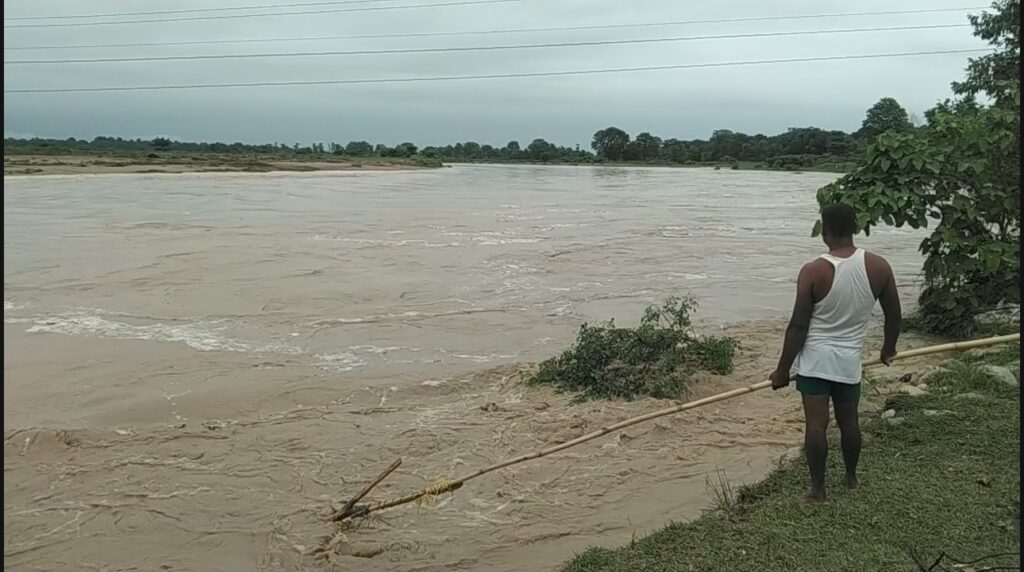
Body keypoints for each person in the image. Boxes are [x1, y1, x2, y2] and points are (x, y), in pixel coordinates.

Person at [769, 203, 902, 504]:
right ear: (855, 228)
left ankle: (818, 491)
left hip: (815, 362)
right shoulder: (879, 266)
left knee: (816, 426)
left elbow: (798, 327)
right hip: (848, 361)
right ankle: (851, 478)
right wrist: (888, 348)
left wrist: (781, 371)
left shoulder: (813, 270)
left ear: (824, 230)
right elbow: (894, 317)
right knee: (850, 422)